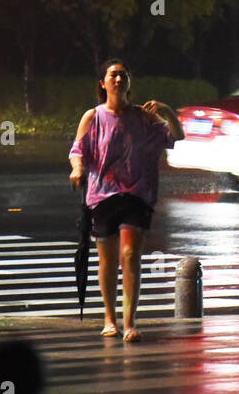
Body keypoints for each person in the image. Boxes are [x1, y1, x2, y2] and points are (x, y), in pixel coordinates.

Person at [68, 59, 183, 343]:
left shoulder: (143, 117)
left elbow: (176, 136)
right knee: (107, 260)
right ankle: (109, 318)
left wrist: (167, 111)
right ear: (102, 83)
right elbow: (77, 150)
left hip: (138, 194)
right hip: (102, 194)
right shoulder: (93, 117)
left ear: (129, 81)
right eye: (113, 75)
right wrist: (78, 168)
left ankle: (130, 321)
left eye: (123, 75)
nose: (118, 79)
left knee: (130, 255)